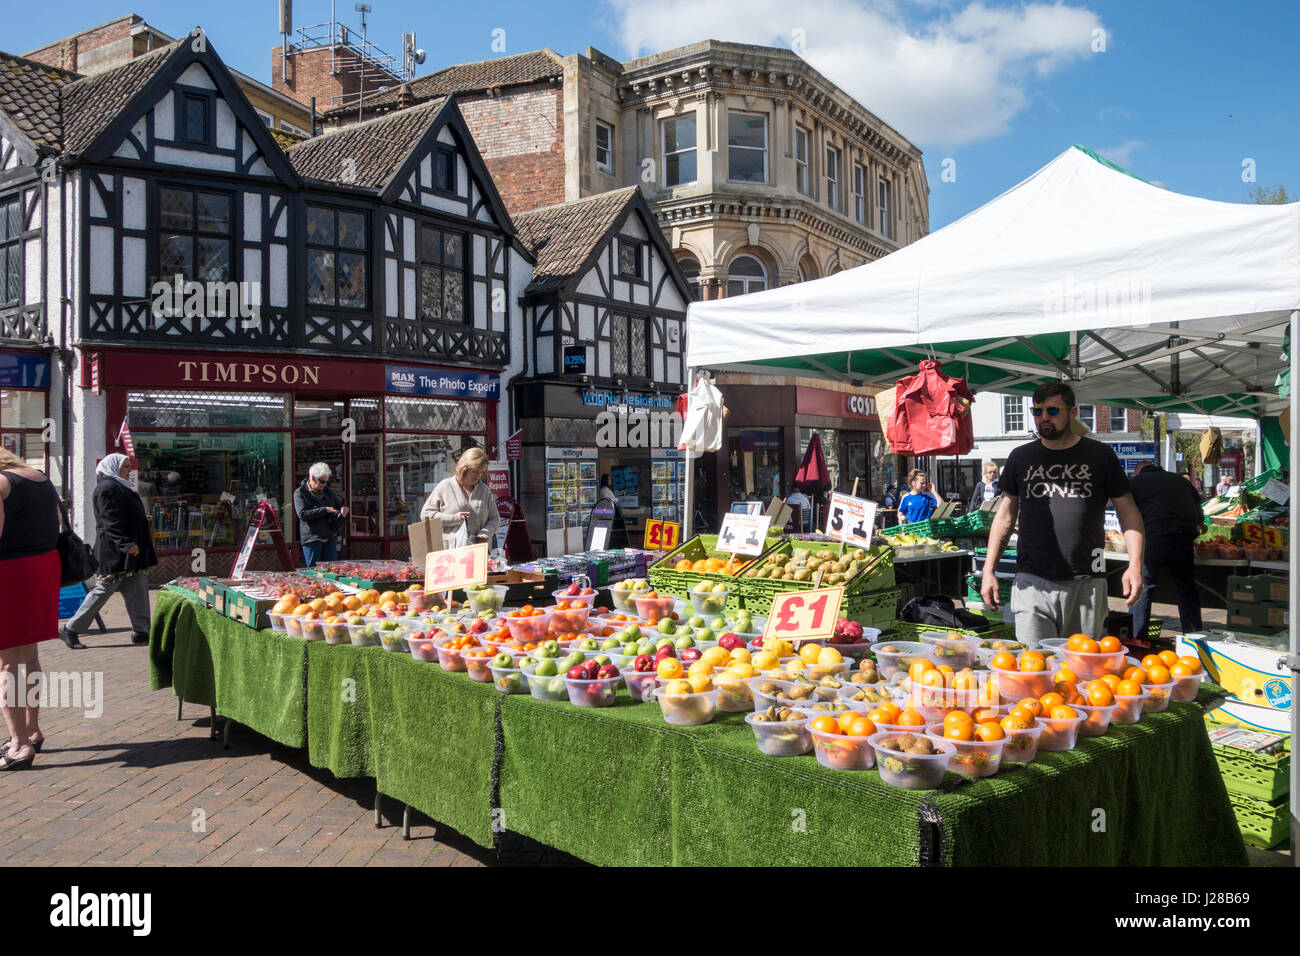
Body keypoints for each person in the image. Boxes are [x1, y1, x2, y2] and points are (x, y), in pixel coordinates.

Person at [980, 384, 1145, 645]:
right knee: (1034, 667)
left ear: (1073, 412)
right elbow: (1005, 517)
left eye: (1053, 410)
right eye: (1038, 411)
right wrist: (989, 570)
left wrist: (1135, 566)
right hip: (1031, 579)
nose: (1044, 417)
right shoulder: (1021, 457)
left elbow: (1129, 512)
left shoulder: (1100, 455)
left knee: (1081, 670)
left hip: (1088, 578)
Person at [60, 454, 159, 649]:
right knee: (103, 590)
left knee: (137, 587)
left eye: (129, 466)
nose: (129, 470)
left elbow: (122, 514)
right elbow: (109, 521)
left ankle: (142, 631)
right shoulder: (107, 488)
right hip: (115, 552)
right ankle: (70, 628)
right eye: (125, 467)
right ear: (113, 467)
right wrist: (125, 543)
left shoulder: (118, 486)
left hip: (130, 554)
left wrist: (141, 519)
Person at [0, 449, 61, 769]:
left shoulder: (1, 484)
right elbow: (58, 523)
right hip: (44, 566)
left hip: (10, 572)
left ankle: (19, 746)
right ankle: (32, 730)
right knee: (30, 656)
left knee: (7, 664)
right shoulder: (41, 478)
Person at [1128, 461, 1206, 636]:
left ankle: (1136, 638)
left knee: (1143, 586)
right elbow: (1198, 511)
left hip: (1155, 534)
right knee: (1186, 587)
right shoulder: (1181, 481)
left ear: (1138, 471)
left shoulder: (1136, 483)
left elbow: (1127, 512)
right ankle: (1194, 636)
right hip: (1185, 534)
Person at [421, 447, 501, 547]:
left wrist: (485, 532)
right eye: (476, 471)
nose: (478, 476)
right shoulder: (445, 486)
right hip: (451, 552)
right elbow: (425, 515)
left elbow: (495, 518)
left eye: (482, 472)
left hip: (479, 550)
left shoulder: (484, 490)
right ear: (465, 467)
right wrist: (453, 518)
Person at [293, 462, 348, 568]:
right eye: (322, 482)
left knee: (331, 569)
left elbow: (337, 506)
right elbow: (302, 514)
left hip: (329, 536)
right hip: (312, 538)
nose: (324, 485)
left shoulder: (328, 492)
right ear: (313, 478)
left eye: (326, 482)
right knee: (314, 571)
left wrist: (342, 512)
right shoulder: (300, 493)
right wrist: (324, 510)